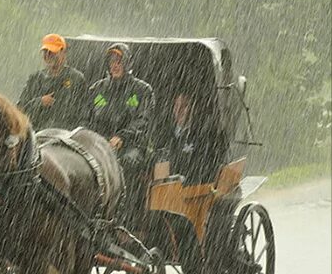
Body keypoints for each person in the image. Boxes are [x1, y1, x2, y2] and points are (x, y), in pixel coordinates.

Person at [88, 43, 155, 226]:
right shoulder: (96, 90)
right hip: (100, 146)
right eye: (111, 61)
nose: (115, 65)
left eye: (119, 61)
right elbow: (86, 120)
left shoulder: (142, 90)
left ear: (127, 63)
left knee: (123, 164)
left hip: (132, 147)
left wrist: (122, 137)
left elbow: (143, 121)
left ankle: (123, 219)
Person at [17, 34, 89, 130]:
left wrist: (76, 134)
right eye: (45, 52)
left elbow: (86, 113)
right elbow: (20, 111)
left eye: (52, 52)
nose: (48, 55)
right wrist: (39, 102)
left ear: (63, 53)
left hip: (67, 137)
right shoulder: (35, 79)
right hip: (38, 136)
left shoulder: (76, 79)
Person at [166, 93, 229, 184]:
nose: (179, 110)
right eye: (176, 106)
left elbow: (205, 169)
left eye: (184, 106)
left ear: (193, 108)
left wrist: (185, 181)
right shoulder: (165, 134)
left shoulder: (203, 136)